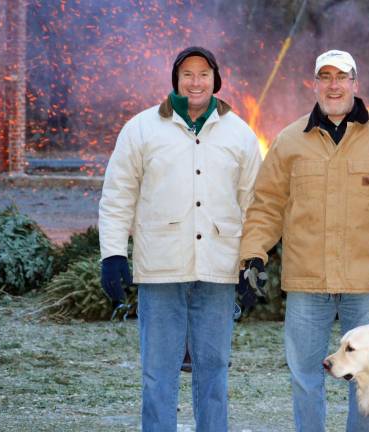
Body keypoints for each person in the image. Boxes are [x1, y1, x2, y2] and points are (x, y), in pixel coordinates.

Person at [238, 49, 369, 432]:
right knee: (306, 376)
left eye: (341, 77)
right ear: (314, 85)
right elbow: (266, 205)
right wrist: (254, 254)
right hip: (307, 284)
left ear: (355, 83)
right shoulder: (290, 141)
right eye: (325, 77)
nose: (333, 85)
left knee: (368, 377)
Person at [98, 46, 262, 431]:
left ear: (215, 80)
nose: (195, 81)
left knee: (214, 373)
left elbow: (255, 203)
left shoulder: (239, 133)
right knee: (158, 373)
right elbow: (118, 195)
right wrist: (112, 254)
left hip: (218, 271)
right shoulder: (141, 128)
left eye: (203, 74)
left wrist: (252, 260)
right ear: (176, 79)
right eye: (187, 74)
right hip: (160, 270)